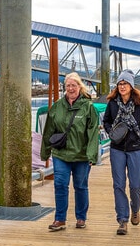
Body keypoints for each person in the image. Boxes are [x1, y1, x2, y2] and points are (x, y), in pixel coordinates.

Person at [41, 72, 100, 232]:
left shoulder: (88, 107)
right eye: (68, 85)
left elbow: (93, 132)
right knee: (60, 184)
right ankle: (60, 219)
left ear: (80, 87)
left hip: (81, 155)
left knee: (80, 186)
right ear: (64, 88)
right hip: (61, 154)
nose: (71, 88)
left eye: (74, 85)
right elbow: (49, 131)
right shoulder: (58, 107)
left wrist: (91, 154)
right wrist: (45, 152)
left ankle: (81, 217)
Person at [103, 70, 140, 236]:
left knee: (135, 185)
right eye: (120, 84)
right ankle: (122, 219)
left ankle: (135, 209)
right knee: (118, 184)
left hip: (136, 148)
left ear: (131, 86)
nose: (122, 86)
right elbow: (106, 121)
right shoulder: (112, 103)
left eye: (125, 83)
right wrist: (112, 131)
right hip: (117, 148)